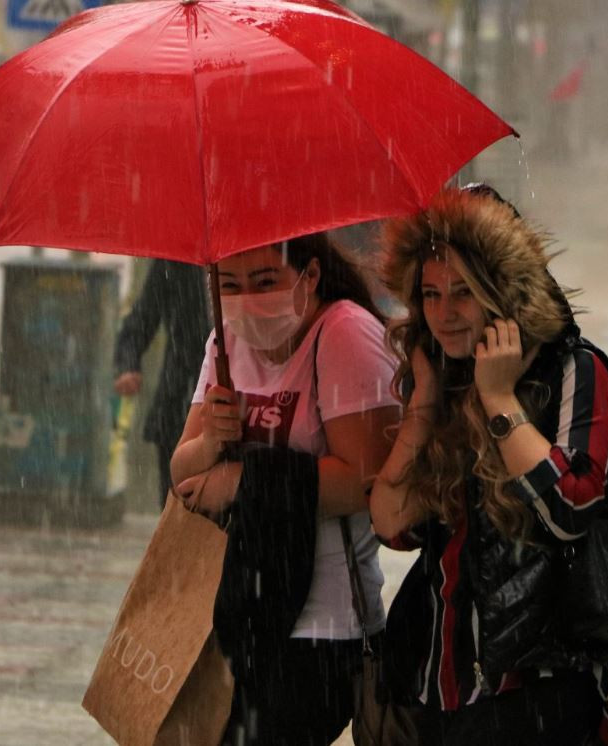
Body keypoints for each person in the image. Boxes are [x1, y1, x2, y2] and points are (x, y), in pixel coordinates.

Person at [370, 186, 608, 745]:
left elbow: (570, 509)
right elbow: (392, 524)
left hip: (541, 688)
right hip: (439, 685)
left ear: (504, 292)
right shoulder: (441, 380)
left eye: (463, 292)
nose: (444, 314)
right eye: (431, 294)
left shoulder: (577, 371)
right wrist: (423, 406)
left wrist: (500, 400)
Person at [169, 233, 399, 745]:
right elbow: (183, 475)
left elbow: (365, 481)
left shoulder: (344, 333)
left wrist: (244, 481)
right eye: (230, 285)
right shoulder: (224, 342)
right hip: (233, 611)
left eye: (265, 280)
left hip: (319, 627)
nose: (247, 300)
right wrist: (210, 441)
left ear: (310, 276)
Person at [112, 259, 210, 506]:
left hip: (239, 406)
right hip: (178, 403)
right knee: (175, 508)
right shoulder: (176, 261)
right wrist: (128, 364)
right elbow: (142, 318)